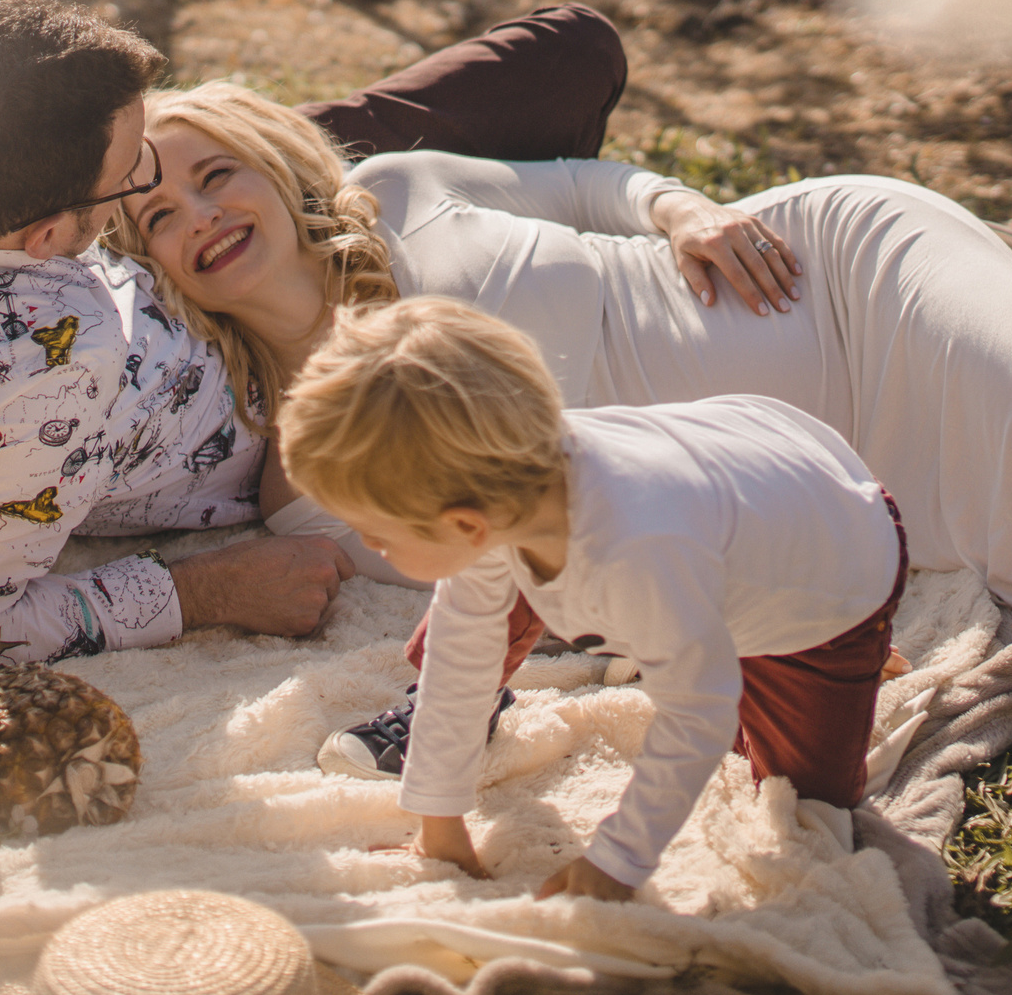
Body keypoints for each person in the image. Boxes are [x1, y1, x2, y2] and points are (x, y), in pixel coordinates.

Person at [111, 80, 1012, 716]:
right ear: (158, 266)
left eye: (212, 170)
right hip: (823, 469)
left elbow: (592, 188)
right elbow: (504, 565)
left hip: (826, 278)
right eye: (161, 213)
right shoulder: (298, 463)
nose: (200, 213)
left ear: (265, 163)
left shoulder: (398, 189)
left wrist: (688, 203)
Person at [0, 0, 629, 663]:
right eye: (131, 174)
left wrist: (198, 162)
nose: (146, 168)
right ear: (49, 240)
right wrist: (200, 590)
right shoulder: (41, 387)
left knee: (572, 53)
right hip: (244, 312)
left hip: (251, 227)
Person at [277, 298, 910, 901]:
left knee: (806, 802)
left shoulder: (637, 553)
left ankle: (863, 652)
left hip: (835, 575)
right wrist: (439, 823)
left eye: (378, 537)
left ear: (467, 525)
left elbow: (699, 715)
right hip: (746, 482)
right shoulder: (512, 478)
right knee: (470, 617)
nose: (366, 544)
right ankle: (690, 628)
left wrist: (618, 861)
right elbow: (462, 651)